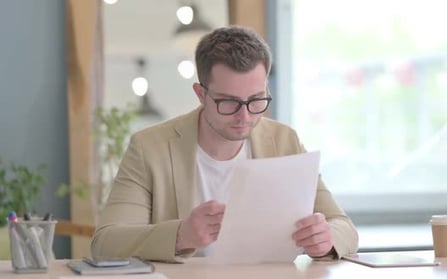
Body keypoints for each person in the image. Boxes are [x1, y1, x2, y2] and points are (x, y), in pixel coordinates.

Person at [91, 26, 358, 263]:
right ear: (200, 94)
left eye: (256, 100)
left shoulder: (284, 140)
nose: (245, 116)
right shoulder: (150, 147)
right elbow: (105, 243)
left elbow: (345, 228)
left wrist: (326, 239)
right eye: (228, 102)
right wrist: (181, 235)